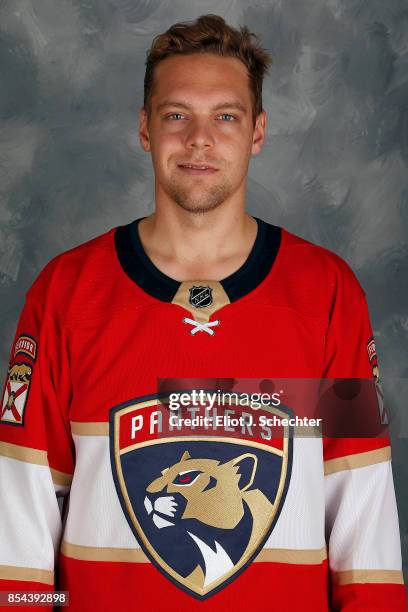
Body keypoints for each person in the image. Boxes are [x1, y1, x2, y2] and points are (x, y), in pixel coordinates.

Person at [0, 14, 405, 612]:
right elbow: (21, 523)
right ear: (145, 128)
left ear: (257, 131)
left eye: (225, 116)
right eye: (175, 115)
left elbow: (362, 519)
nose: (198, 138)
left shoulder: (327, 293)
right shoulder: (66, 291)